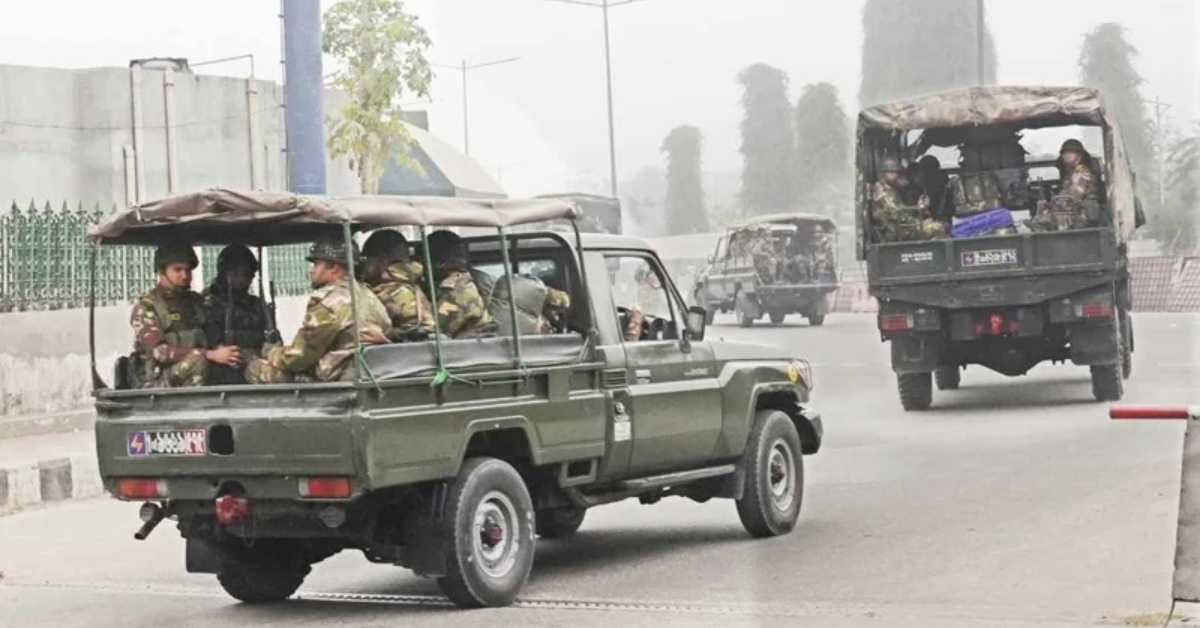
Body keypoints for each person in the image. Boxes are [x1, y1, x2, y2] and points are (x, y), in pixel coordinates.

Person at [244, 236, 392, 384]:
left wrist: (271, 353)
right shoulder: (368, 295)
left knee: (255, 368)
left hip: (337, 379)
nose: (312, 270)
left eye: (316, 264)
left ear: (334, 267)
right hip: (365, 373)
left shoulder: (331, 303)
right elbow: (387, 327)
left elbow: (299, 357)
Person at [130, 243, 240, 388]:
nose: (185, 276)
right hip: (158, 382)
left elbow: (214, 338)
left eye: (188, 270)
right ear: (161, 271)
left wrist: (226, 353)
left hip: (197, 371)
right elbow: (160, 353)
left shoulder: (196, 302)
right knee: (198, 359)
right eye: (178, 270)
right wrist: (209, 354)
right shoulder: (147, 307)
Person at [201, 244, 269, 385]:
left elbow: (271, 341)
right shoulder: (207, 304)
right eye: (237, 274)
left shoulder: (256, 305)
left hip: (255, 371)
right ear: (224, 273)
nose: (244, 280)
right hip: (219, 376)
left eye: (248, 274)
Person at [361, 229, 437, 342]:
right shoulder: (414, 284)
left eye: (366, 259)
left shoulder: (386, 291)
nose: (364, 265)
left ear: (381, 262)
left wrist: (386, 336)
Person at [426, 230, 498, 338]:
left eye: (424, 261)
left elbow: (434, 327)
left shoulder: (456, 291)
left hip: (474, 349)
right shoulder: (463, 281)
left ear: (439, 263)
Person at [1029, 139, 1098, 232]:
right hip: (1071, 210)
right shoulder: (1071, 173)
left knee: (1046, 216)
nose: (1066, 155)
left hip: (1079, 213)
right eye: (1064, 153)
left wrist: (1054, 205)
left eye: (1071, 152)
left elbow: (1075, 196)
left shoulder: (1082, 172)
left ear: (1079, 155)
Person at [872, 157, 946, 242]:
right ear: (883, 173)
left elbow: (899, 209)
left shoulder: (890, 188)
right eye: (891, 172)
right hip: (896, 231)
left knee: (934, 223)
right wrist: (918, 215)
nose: (895, 175)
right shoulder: (882, 192)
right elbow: (895, 213)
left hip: (899, 227)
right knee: (938, 228)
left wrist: (918, 211)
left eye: (896, 172)